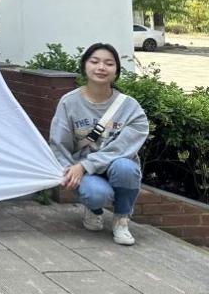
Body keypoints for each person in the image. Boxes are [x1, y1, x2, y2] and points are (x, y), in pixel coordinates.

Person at [49, 43, 148, 246]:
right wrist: (69, 170)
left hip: (113, 164)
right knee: (97, 194)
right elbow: (59, 143)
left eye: (109, 63)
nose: (101, 67)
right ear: (84, 66)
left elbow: (123, 148)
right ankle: (93, 209)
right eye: (94, 62)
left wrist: (86, 165)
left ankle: (121, 219)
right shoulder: (69, 102)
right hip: (83, 171)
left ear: (116, 71)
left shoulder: (130, 107)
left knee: (126, 168)